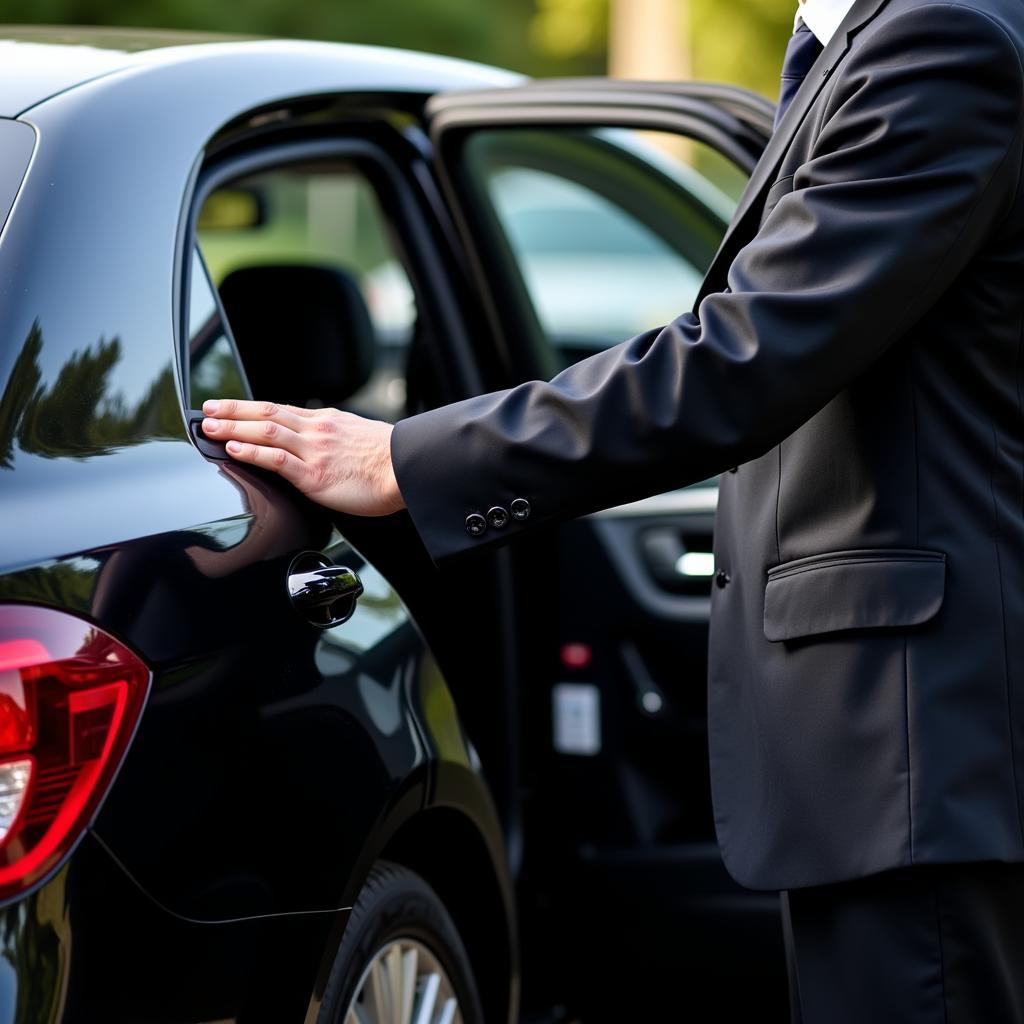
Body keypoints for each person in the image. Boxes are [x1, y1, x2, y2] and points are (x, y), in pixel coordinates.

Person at [200, 0, 1024, 1018]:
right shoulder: (888, 37)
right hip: (904, 750)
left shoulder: (941, 37)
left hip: (918, 748)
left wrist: (405, 459)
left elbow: (745, 357)